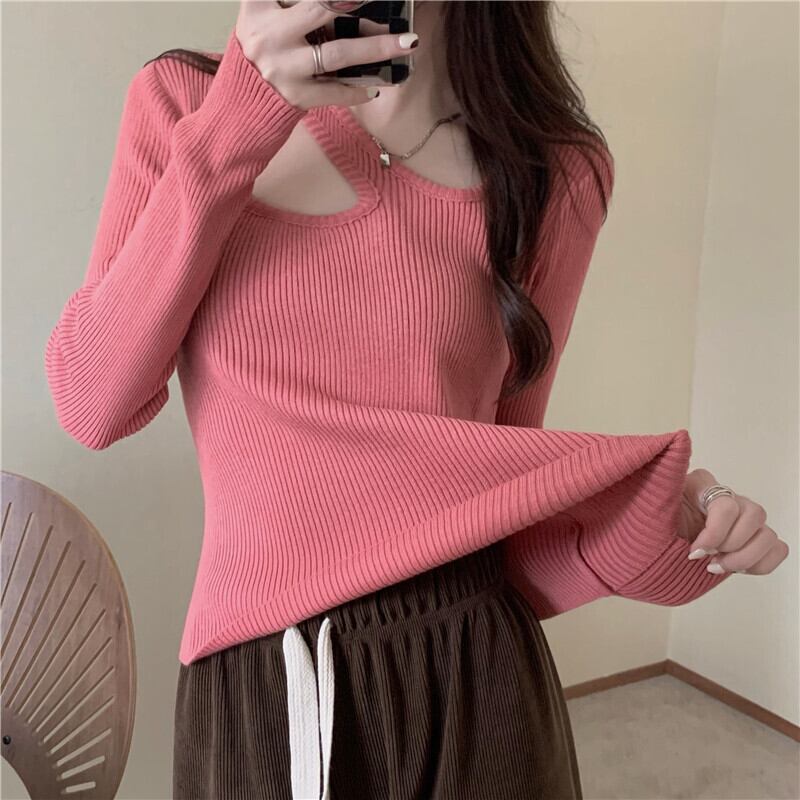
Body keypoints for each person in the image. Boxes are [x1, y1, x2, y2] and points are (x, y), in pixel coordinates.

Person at [44, 1, 789, 798]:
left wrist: (667, 527)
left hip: (479, 670)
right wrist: (240, 120)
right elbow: (93, 401)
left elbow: (496, 495)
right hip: (270, 671)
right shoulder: (186, 102)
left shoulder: (554, 168)